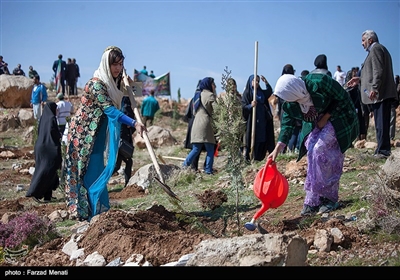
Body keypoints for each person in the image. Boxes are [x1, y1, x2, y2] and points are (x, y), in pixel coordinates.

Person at [62, 46, 147, 221]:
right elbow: (110, 111)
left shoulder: (113, 83)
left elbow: (136, 92)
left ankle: (99, 212)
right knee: (89, 172)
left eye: (121, 64)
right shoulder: (96, 84)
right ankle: (88, 213)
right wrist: (134, 123)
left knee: (97, 169)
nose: (117, 68)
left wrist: (130, 82)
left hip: (98, 134)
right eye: (114, 64)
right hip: (83, 136)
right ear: (106, 64)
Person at [268, 73, 359, 216]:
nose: (287, 101)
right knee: (311, 150)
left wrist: (327, 116)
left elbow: (342, 98)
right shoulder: (291, 102)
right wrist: (278, 147)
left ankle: (329, 198)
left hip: (339, 117)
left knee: (320, 149)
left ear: (294, 89)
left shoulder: (319, 82)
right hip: (316, 122)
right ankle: (313, 200)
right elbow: (287, 124)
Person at [347, 30, 397, 159]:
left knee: (382, 124)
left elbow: (378, 71)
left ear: (370, 40)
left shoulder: (376, 49)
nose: (362, 43)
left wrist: (374, 88)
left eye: (363, 40)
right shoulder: (376, 50)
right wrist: (360, 80)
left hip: (381, 94)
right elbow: (373, 72)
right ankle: (381, 149)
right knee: (380, 124)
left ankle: (383, 151)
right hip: (379, 93)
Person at [26, 102, 62, 203]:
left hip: (41, 147)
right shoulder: (52, 119)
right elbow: (53, 133)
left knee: (50, 172)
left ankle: (47, 196)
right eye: (56, 109)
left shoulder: (43, 119)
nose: (57, 111)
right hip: (49, 149)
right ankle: (35, 192)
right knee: (46, 171)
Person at [183, 77, 217, 175]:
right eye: (213, 84)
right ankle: (208, 170)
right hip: (206, 124)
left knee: (196, 148)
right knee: (210, 148)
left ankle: (184, 166)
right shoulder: (210, 96)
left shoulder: (197, 96)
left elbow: (193, 112)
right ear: (209, 85)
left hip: (196, 123)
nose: (215, 86)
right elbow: (217, 111)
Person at [241, 74, 275, 162]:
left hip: (262, 119)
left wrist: (266, 82)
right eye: (254, 80)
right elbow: (243, 106)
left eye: (258, 81)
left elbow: (269, 91)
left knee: (262, 138)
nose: (256, 83)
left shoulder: (261, 92)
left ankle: (259, 157)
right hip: (252, 120)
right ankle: (252, 157)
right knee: (253, 138)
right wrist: (250, 105)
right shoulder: (247, 93)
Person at [113, 96, 135, 187]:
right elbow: (129, 125)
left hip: (120, 141)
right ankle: (100, 182)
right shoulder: (126, 109)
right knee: (117, 166)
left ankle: (127, 184)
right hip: (123, 142)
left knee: (126, 163)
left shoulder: (120, 109)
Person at [345, 67, 366, 140]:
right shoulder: (348, 89)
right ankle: (355, 139)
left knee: (362, 122)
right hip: (352, 108)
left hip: (360, 107)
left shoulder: (360, 87)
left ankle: (362, 139)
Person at [390, 75, 400, 140]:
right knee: (391, 121)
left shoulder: (393, 86)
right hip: (391, 105)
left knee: (391, 121)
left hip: (391, 105)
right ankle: (390, 136)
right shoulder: (396, 86)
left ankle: (390, 137)